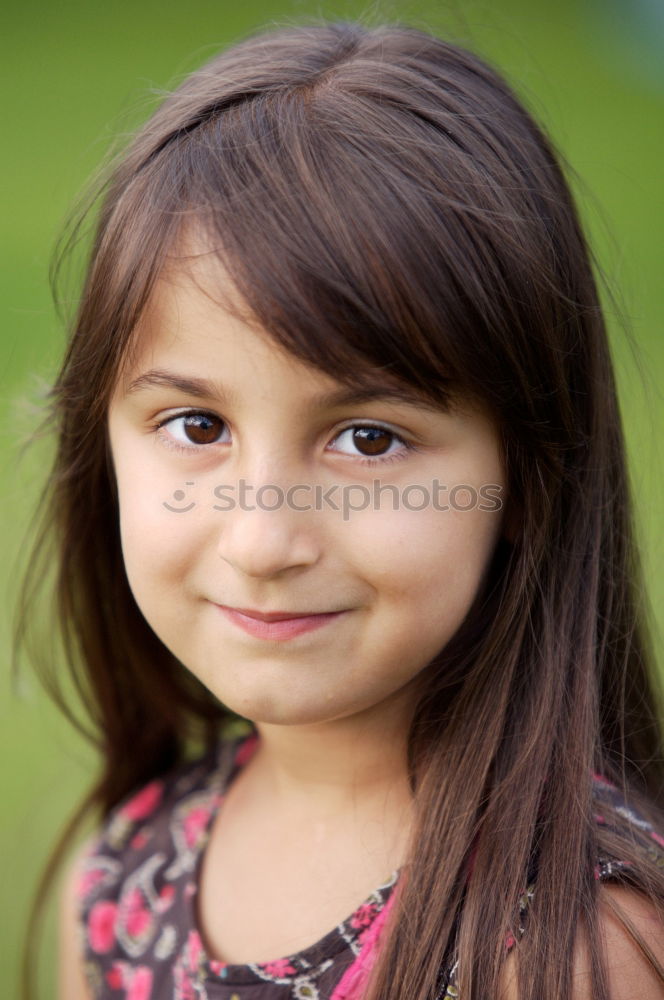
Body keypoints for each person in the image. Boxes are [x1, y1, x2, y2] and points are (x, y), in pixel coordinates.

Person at [15, 19, 664, 1000]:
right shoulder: (120, 890)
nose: (264, 538)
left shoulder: (566, 951)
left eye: (367, 439)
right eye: (196, 425)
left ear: (529, 471)